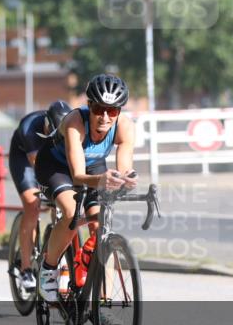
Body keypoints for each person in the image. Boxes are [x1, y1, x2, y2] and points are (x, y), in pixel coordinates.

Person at [34, 74, 137, 310]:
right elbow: (78, 176)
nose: (104, 117)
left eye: (112, 111)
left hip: (93, 166)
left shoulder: (125, 126)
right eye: (99, 109)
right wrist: (102, 180)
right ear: (89, 105)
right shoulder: (74, 122)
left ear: (119, 111)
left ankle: (103, 303)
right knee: (71, 213)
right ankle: (48, 270)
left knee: (101, 228)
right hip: (56, 167)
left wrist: (126, 179)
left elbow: (124, 166)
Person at [8, 100, 73, 291]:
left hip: (52, 158)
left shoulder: (71, 127)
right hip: (26, 159)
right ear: (47, 124)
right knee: (32, 203)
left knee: (64, 202)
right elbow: (39, 167)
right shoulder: (30, 128)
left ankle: (56, 258)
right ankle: (26, 268)